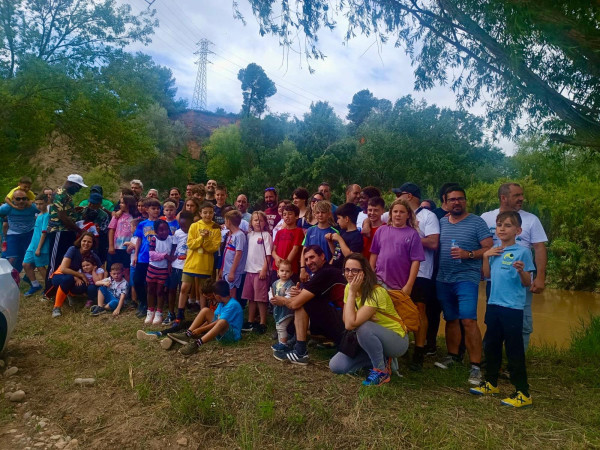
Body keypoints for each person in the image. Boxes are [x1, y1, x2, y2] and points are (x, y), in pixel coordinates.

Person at [470, 211, 535, 408]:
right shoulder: (495, 251)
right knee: (491, 345)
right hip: (494, 305)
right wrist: (485, 257)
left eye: (507, 225)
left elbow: (527, 282)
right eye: (499, 225)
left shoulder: (523, 252)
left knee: (514, 349)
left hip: (512, 308)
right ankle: (491, 383)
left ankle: (523, 392)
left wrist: (521, 270)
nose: (502, 229)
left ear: (518, 230)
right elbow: (487, 275)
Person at [434, 186, 493, 385]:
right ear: (446, 202)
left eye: (460, 199)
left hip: (467, 278)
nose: (456, 202)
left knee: (468, 320)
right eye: (452, 199)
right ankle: (453, 356)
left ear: (465, 201)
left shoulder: (477, 222)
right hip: (443, 278)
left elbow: (488, 246)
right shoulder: (441, 222)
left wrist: (468, 254)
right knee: (451, 319)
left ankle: (476, 366)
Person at [480, 183, 548, 351]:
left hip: (520, 278)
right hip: (494, 279)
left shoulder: (531, 219)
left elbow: (539, 248)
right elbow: (480, 244)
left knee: (522, 322)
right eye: (517, 195)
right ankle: (490, 361)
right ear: (504, 198)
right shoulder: (486, 217)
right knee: (493, 321)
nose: (521, 199)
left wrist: (539, 277)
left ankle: (517, 361)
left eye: (521, 195)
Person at [329, 253, 410, 385]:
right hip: (367, 339)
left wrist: (356, 316)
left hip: (396, 340)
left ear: (364, 272)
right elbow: (346, 320)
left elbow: (350, 324)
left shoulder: (376, 292)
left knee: (364, 327)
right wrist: (352, 294)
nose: (350, 274)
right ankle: (379, 359)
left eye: (355, 270)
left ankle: (381, 372)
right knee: (336, 366)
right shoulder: (349, 288)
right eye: (347, 270)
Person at [271, 245, 346, 365]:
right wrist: (300, 293)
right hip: (342, 321)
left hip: (345, 326)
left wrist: (282, 300)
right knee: (304, 299)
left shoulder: (326, 273)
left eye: (312, 257)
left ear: (322, 256)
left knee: (303, 303)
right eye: (306, 259)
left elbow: (296, 304)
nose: (309, 262)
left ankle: (300, 351)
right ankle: (296, 342)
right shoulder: (321, 273)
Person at [394, 183, 440, 371]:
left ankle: (419, 351)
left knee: (419, 309)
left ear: (410, 196)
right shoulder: (396, 215)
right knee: (397, 307)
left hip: (421, 270)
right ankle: (399, 347)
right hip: (398, 270)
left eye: (399, 194)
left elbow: (433, 242)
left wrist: (408, 237)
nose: (396, 198)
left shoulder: (428, 216)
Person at [165, 280, 243, 356]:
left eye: (214, 295)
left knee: (222, 321)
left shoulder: (233, 305)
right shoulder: (222, 303)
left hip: (231, 336)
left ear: (218, 296)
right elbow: (213, 319)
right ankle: (187, 334)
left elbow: (218, 322)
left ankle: (197, 344)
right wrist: (197, 330)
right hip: (221, 331)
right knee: (205, 310)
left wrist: (201, 329)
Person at [369, 198, 424, 297]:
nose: (398, 214)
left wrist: (409, 285)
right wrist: (371, 273)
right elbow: (374, 253)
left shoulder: (413, 234)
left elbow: (416, 261)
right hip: (379, 281)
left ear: (408, 215)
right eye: (395, 211)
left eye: (402, 212)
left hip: (399, 286)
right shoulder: (381, 230)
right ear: (390, 214)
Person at [176, 201, 221, 320]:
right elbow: (190, 244)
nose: (208, 215)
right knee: (185, 287)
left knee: (203, 291)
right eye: (205, 212)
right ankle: (180, 314)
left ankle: (202, 315)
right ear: (200, 213)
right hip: (191, 263)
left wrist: (205, 241)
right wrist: (202, 237)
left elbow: (213, 248)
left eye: (210, 213)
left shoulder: (215, 228)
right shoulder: (194, 226)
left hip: (205, 265)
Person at [45, 174, 87, 292]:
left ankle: (62, 288)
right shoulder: (60, 194)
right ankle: (48, 290)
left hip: (67, 231)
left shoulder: (66, 195)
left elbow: (66, 212)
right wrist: (79, 230)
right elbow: (62, 217)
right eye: (78, 187)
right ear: (72, 184)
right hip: (59, 231)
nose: (78, 190)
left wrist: (74, 211)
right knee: (55, 261)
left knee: (65, 261)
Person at [50, 232, 101, 318]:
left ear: (93, 244)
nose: (86, 244)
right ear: (80, 241)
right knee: (68, 279)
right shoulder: (73, 249)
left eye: (89, 242)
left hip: (76, 278)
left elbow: (101, 267)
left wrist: (101, 275)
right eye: (84, 241)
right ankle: (57, 307)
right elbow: (63, 268)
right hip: (60, 275)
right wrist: (79, 275)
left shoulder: (92, 255)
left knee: (84, 286)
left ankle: (69, 294)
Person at [241, 211, 272, 334]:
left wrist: (264, 269)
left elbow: (268, 255)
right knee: (251, 298)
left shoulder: (266, 235)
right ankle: (250, 320)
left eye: (260, 220)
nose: (258, 222)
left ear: (265, 223)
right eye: (255, 220)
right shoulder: (250, 235)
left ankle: (262, 322)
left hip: (260, 271)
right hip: (249, 270)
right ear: (251, 222)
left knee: (261, 298)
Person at [132, 198, 162, 318]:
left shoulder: (161, 223)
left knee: (152, 283)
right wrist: (135, 255)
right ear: (147, 210)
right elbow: (139, 240)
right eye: (153, 208)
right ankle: (143, 303)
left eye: (158, 209)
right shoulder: (142, 224)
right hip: (143, 257)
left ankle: (152, 305)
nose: (156, 211)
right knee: (137, 280)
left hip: (156, 258)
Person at [165, 211, 193, 326]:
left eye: (186, 226)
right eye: (181, 225)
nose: (183, 228)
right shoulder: (177, 233)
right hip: (176, 264)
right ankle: (171, 312)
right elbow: (174, 247)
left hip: (187, 266)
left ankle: (181, 313)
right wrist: (170, 263)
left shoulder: (194, 233)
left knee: (184, 290)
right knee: (172, 289)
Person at [0, 189, 38, 274]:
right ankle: (6, 276)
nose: (21, 201)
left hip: (29, 233)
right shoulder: (7, 207)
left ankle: (21, 277)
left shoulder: (32, 207)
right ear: (13, 199)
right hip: (13, 233)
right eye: (18, 199)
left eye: (24, 199)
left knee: (31, 257)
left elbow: (46, 211)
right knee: (11, 258)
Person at [145, 220, 175, 325]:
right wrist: (165, 256)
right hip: (153, 268)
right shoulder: (154, 239)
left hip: (163, 270)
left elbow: (173, 251)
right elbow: (152, 254)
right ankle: (150, 310)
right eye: (161, 230)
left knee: (160, 291)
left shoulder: (171, 239)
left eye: (166, 229)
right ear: (156, 231)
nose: (164, 232)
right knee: (150, 290)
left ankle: (159, 312)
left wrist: (170, 261)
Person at [300, 200, 337, 282]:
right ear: (314, 214)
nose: (320, 215)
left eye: (323, 212)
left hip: (326, 272)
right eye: (317, 212)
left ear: (329, 214)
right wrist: (302, 269)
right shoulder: (310, 230)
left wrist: (329, 267)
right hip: (310, 271)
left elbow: (336, 255)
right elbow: (304, 250)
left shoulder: (334, 232)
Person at [23, 194, 50, 296]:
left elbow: (44, 232)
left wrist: (39, 248)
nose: (39, 206)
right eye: (37, 204)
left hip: (40, 246)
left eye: (41, 204)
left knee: (40, 266)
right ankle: (35, 285)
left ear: (46, 203)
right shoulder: (39, 214)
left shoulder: (47, 215)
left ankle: (49, 287)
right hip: (33, 244)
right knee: (26, 264)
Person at [107, 195, 136, 281]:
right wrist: (111, 246)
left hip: (129, 248)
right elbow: (111, 230)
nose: (120, 204)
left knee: (127, 269)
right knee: (115, 268)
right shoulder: (117, 216)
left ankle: (127, 290)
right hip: (117, 247)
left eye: (122, 203)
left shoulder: (134, 216)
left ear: (128, 204)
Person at [327, 202, 363, 269]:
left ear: (346, 219)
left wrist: (340, 239)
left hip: (345, 270)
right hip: (335, 269)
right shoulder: (342, 232)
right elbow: (336, 253)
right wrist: (330, 242)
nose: (337, 221)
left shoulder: (356, 236)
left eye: (339, 218)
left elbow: (350, 256)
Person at [220, 210, 247, 299]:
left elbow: (238, 254)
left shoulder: (240, 235)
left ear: (228, 221)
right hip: (226, 269)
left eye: (225, 221)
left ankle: (233, 311)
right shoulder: (231, 235)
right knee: (226, 291)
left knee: (232, 293)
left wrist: (232, 272)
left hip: (233, 271)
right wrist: (222, 269)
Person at [271, 204, 304, 278]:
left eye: (290, 214)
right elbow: (273, 250)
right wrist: (276, 258)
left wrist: (285, 265)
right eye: (284, 214)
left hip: (290, 270)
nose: (287, 216)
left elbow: (295, 249)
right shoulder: (279, 232)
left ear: (296, 216)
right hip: (277, 269)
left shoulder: (299, 231)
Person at [270, 260, 295, 351]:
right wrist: (271, 299)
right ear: (278, 272)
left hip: (286, 311)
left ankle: (283, 344)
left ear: (291, 273)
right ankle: (282, 342)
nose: (284, 273)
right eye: (282, 271)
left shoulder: (290, 285)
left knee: (281, 327)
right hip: (277, 309)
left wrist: (283, 299)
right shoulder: (275, 283)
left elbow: (289, 296)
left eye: (287, 271)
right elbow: (271, 292)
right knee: (279, 326)